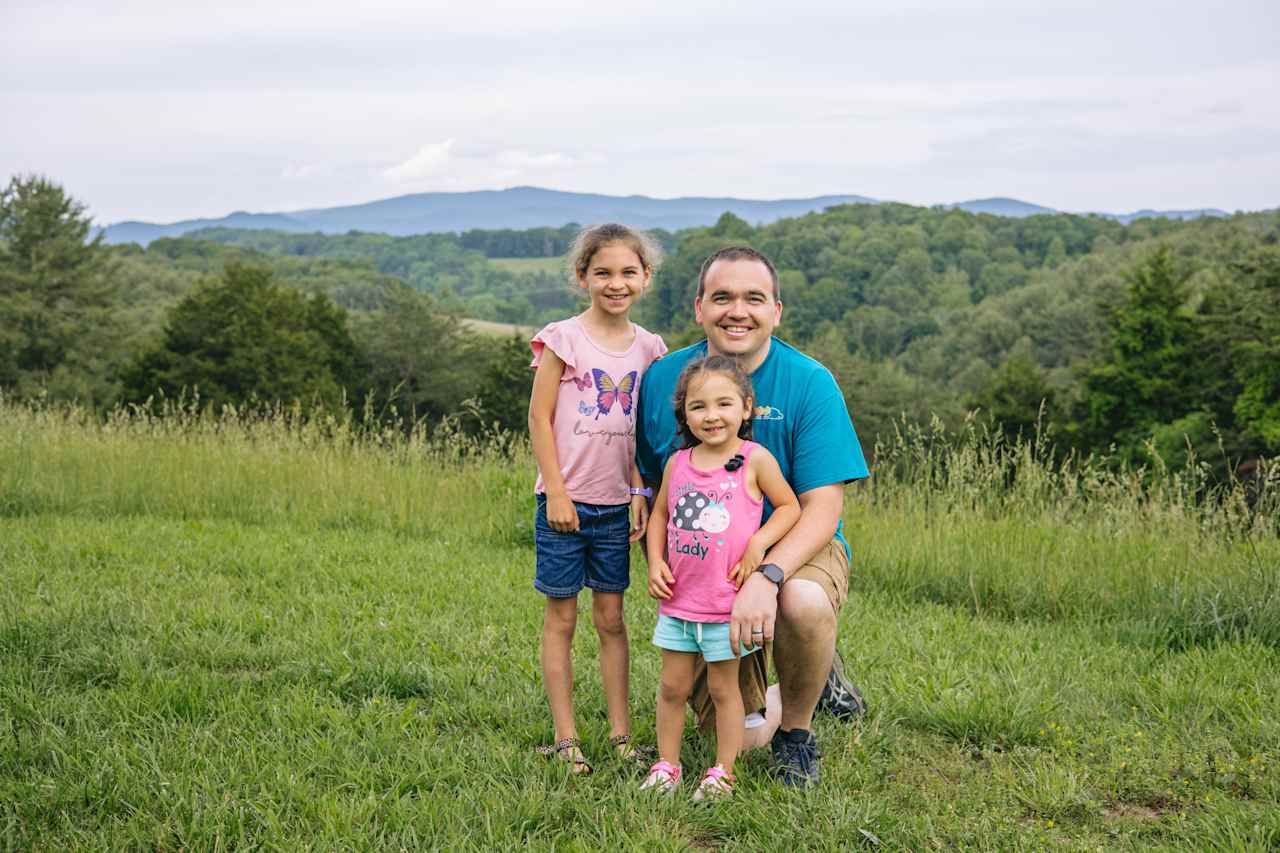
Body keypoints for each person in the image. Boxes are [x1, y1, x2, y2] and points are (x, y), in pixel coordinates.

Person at [635, 245, 870, 787]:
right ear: (699, 308)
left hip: (789, 547)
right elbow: (655, 481)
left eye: (753, 299)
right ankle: (809, 674)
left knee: (801, 601)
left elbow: (822, 508)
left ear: (776, 311)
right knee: (738, 730)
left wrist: (767, 573)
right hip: (703, 567)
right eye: (722, 298)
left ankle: (799, 733)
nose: (736, 310)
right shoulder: (665, 378)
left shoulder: (810, 382)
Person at [528, 223, 668, 774]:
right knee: (561, 619)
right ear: (582, 275)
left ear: (646, 278)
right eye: (603, 272)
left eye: (628, 272)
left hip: (617, 505)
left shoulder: (651, 349)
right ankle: (567, 741)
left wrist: (639, 491)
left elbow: (644, 429)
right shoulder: (563, 338)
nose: (616, 283)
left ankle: (621, 738)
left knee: (612, 620)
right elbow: (539, 418)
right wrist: (556, 491)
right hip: (565, 504)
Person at [640, 356, 801, 800]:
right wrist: (655, 561)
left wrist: (757, 545)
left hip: (725, 606)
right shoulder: (679, 462)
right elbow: (659, 517)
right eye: (698, 407)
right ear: (685, 414)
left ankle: (722, 773)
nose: (711, 416)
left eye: (724, 404)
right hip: (679, 602)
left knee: (722, 689)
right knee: (671, 688)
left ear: (746, 408)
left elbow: (790, 508)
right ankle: (667, 765)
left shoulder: (755, 460)